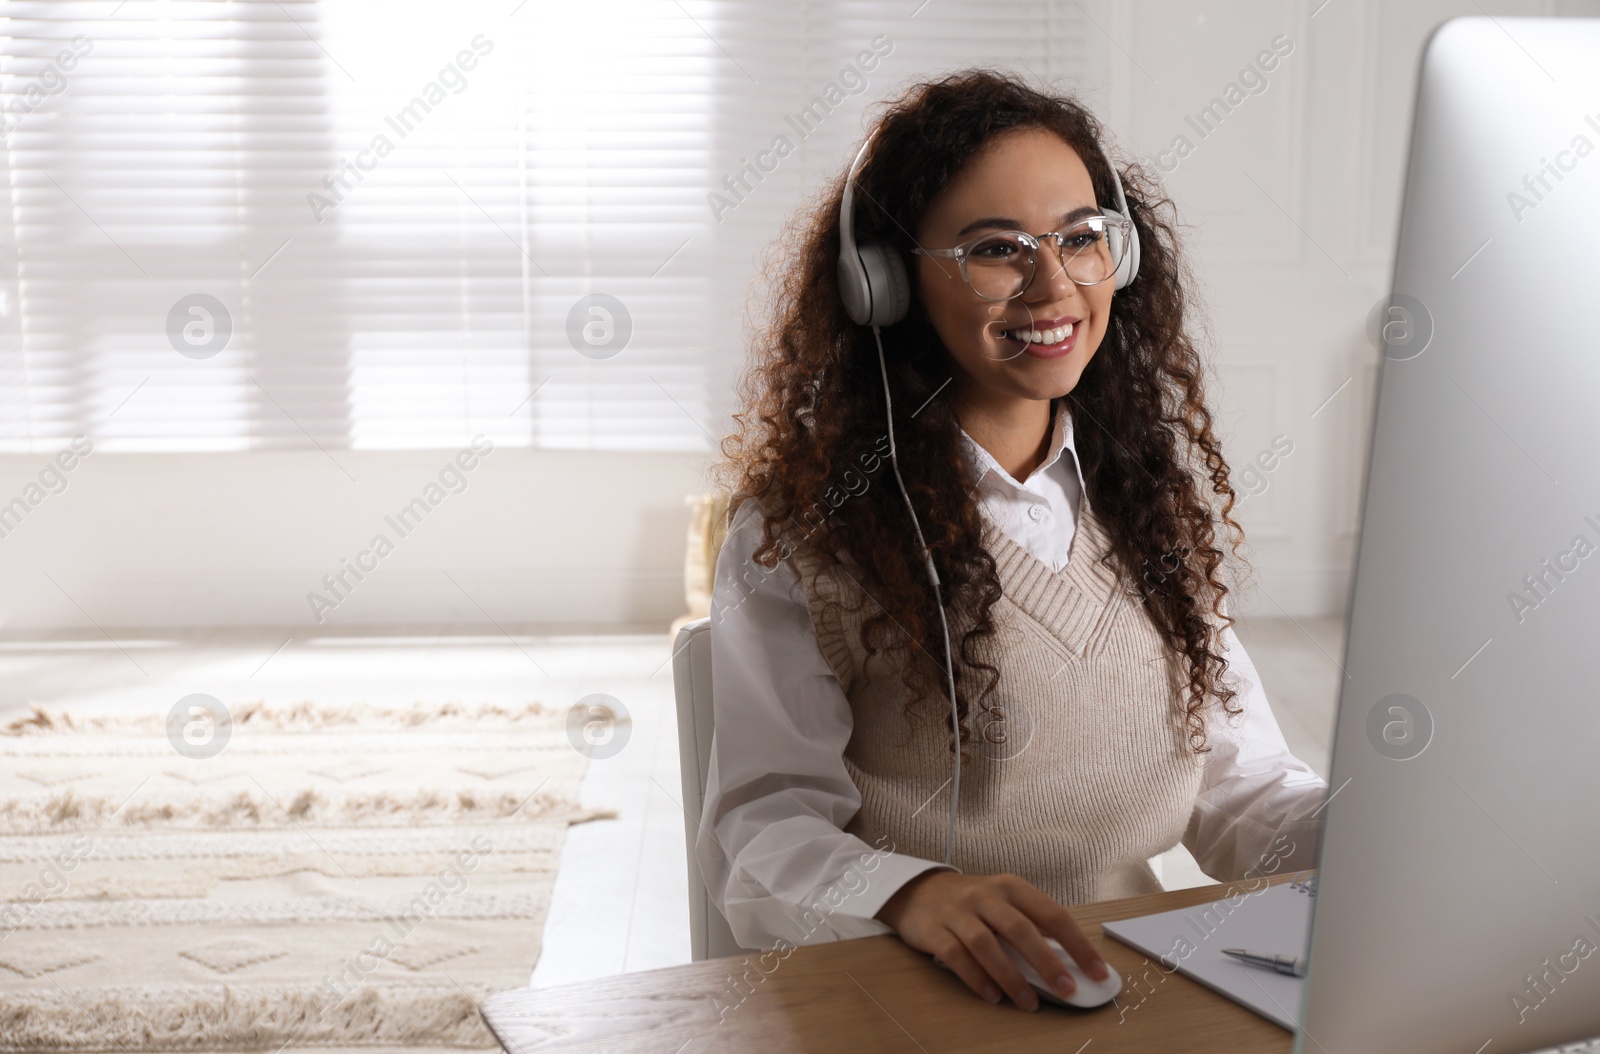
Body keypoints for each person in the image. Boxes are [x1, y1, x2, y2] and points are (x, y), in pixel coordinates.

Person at [697, 68, 1328, 1014]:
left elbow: (1236, 789)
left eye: (1082, 238)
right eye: (998, 250)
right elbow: (764, 832)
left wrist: (1393, 835)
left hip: (1133, 983)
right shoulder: (805, 535)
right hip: (908, 994)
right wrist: (910, 892)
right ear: (884, 281)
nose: (1056, 284)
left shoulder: (1147, 498)